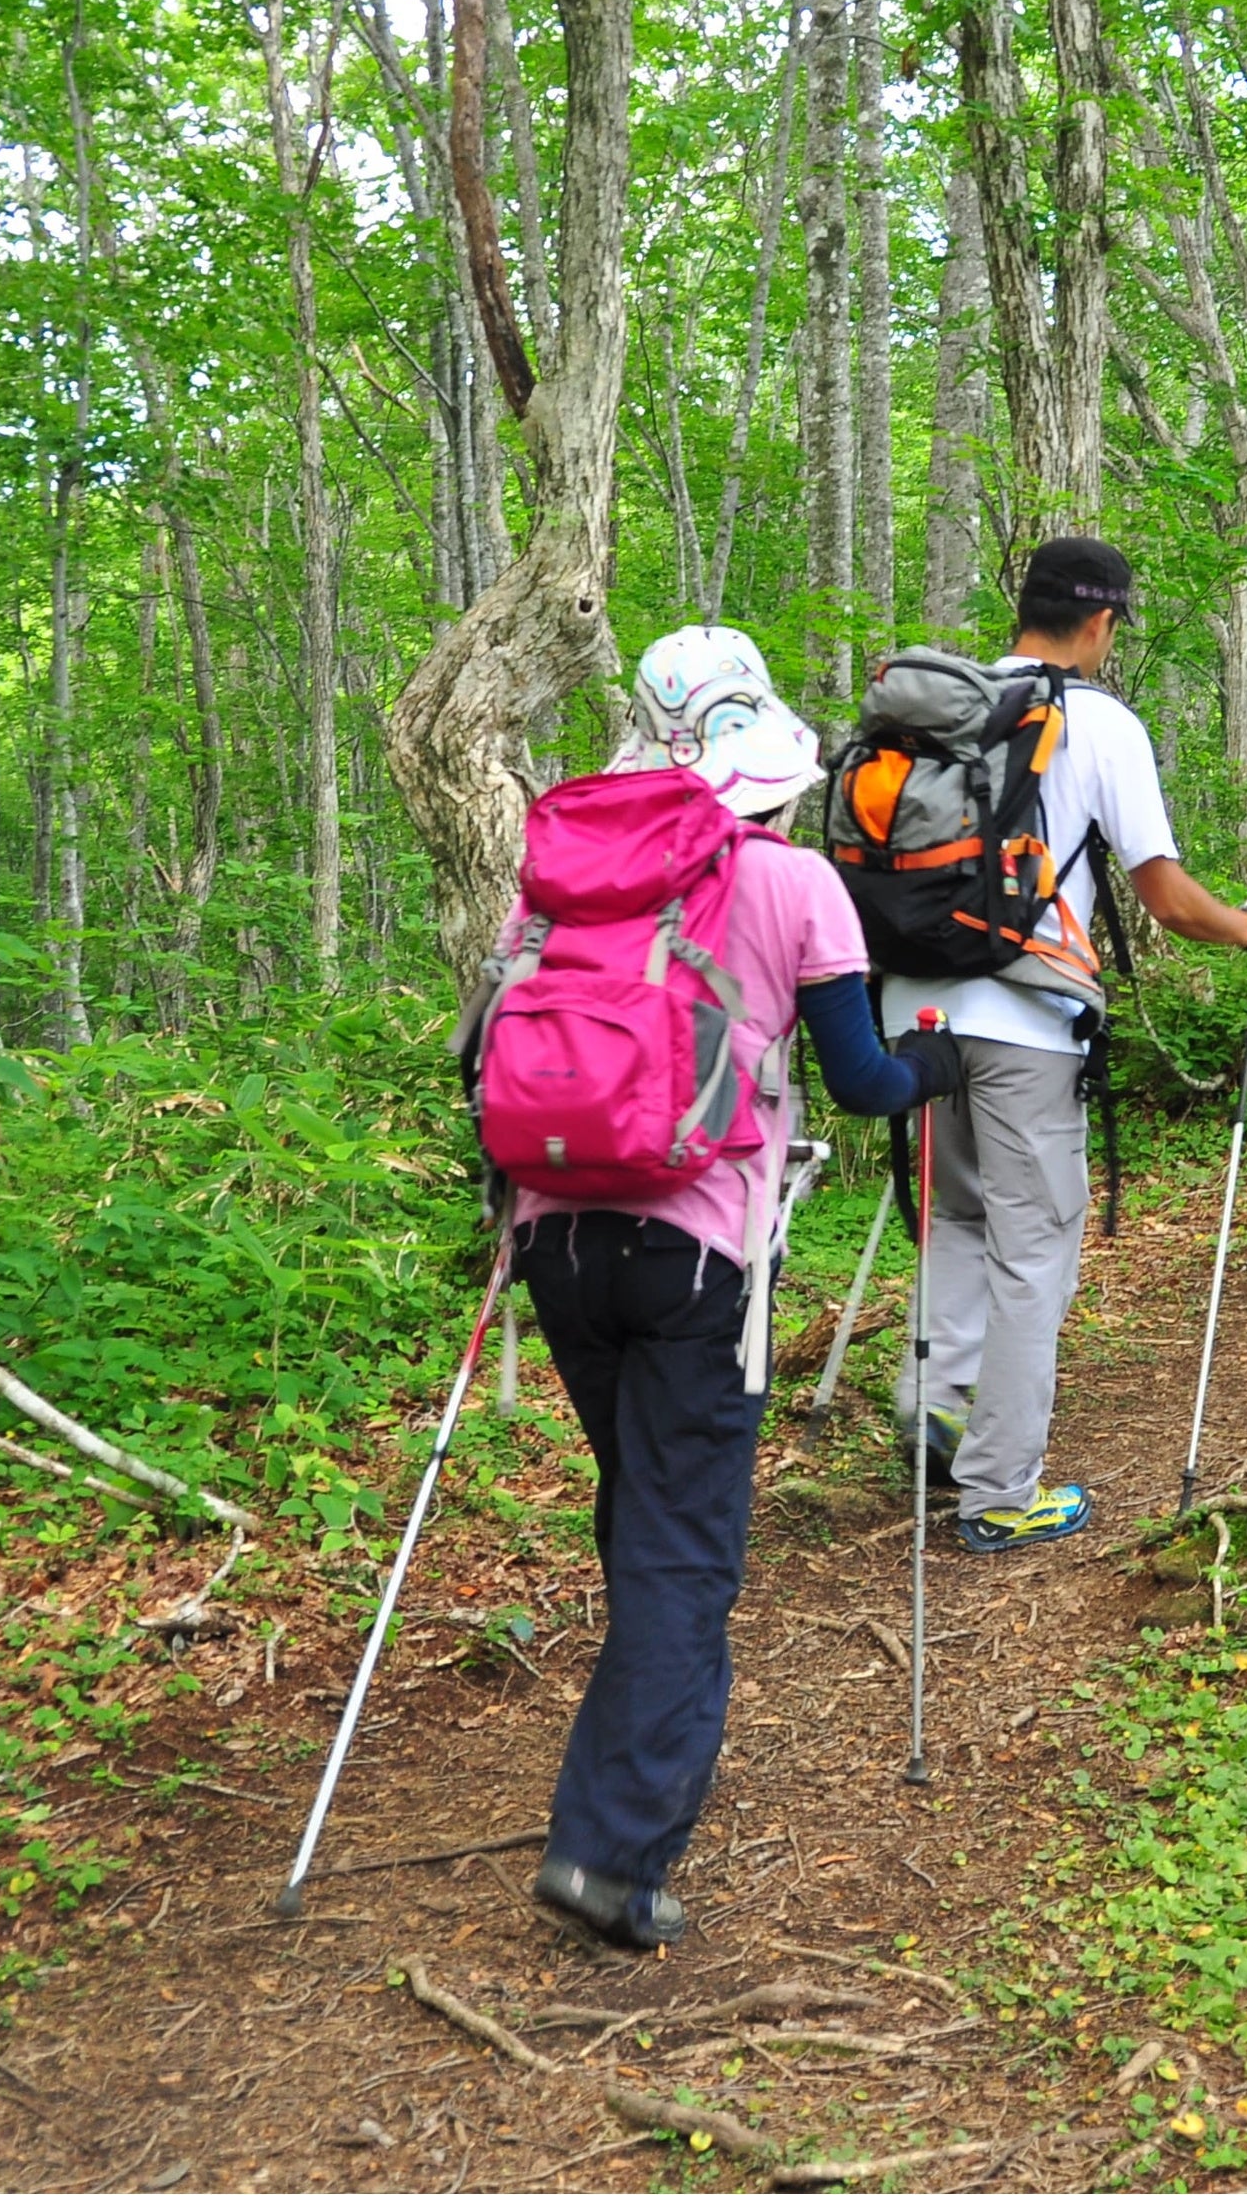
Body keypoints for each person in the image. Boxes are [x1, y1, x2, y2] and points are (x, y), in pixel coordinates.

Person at [499, 626, 964, 1952]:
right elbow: (865, 1078)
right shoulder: (792, 880)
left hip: (557, 1236)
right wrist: (931, 1065)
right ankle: (612, 1850)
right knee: (683, 1541)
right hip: (703, 1243)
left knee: (646, 1503)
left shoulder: (555, 874)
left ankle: (627, 1754)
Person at [881, 534, 1247, 1552]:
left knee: (960, 1215)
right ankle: (1000, 1489)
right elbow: (1166, 896)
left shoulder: (950, 706)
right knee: (1035, 1247)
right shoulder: (1096, 721)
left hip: (910, 1010)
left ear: (1023, 606)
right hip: (1025, 1021)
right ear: (1103, 622)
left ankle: (935, 1408)